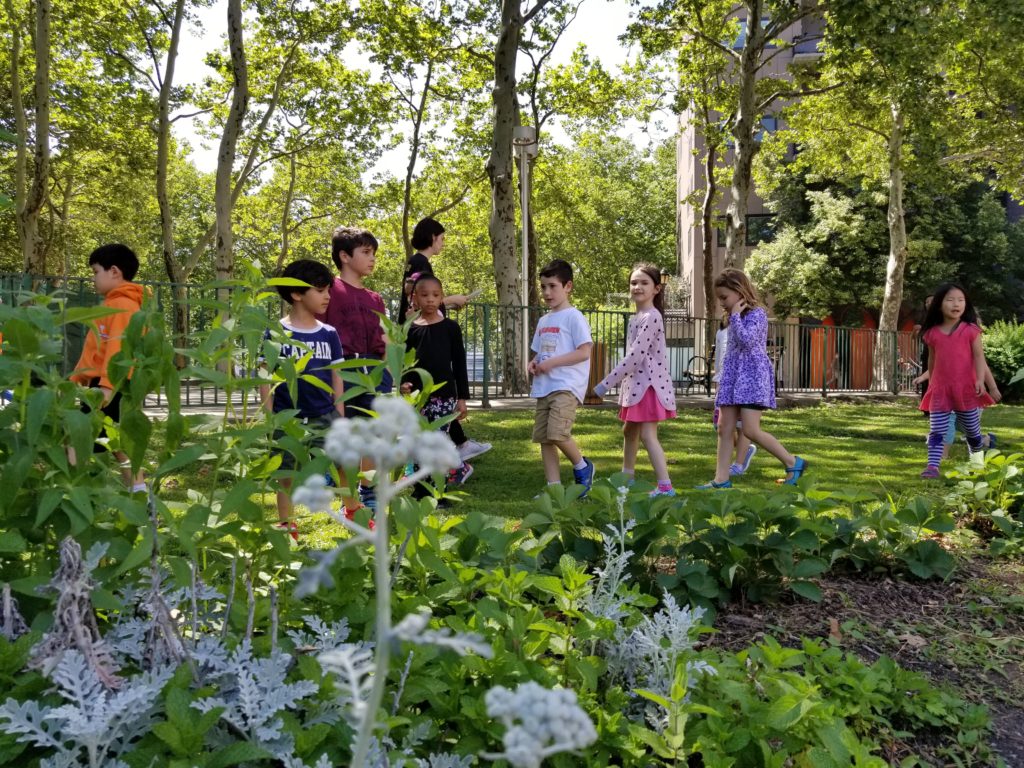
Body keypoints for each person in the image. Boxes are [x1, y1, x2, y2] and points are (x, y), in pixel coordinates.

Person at [260, 259, 362, 539]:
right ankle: (287, 524)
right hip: (287, 418)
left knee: (345, 463)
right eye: (320, 290)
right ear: (296, 294)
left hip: (325, 414)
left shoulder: (329, 333)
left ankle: (353, 510)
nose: (327, 296)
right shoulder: (276, 333)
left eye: (328, 289)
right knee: (287, 474)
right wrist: (271, 419)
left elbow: (337, 376)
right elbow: (265, 375)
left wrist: (339, 414)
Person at [698, 268, 807, 489]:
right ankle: (721, 480)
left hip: (751, 376)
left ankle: (793, 462)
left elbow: (748, 342)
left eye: (724, 297)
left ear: (739, 291)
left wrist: (736, 317)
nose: (722, 303)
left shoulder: (757, 314)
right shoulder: (732, 317)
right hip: (733, 376)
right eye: (720, 298)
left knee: (749, 430)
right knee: (724, 427)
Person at [398, 216, 491, 463]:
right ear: (432, 238)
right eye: (441, 238)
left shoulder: (416, 263)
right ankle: (455, 450)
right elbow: (416, 301)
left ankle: (459, 444)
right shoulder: (420, 263)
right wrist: (450, 300)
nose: (443, 244)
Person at [317, 226, 388, 511]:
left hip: (373, 369)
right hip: (341, 368)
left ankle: (368, 489)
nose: (372, 259)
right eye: (366, 252)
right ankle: (346, 495)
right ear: (344, 256)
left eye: (374, 253)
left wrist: (386, 371)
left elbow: (384, 336)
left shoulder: (375, 298)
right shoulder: (329, 290)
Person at [591, 264, 677, 496]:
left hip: (649, 385)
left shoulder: (652, 317)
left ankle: (665, 487)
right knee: (630, 431)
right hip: (636, 385)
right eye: (634, 282)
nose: (637, 287)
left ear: (657, 289)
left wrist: (605, 383)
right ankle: (626, 477)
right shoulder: (637, 317)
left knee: (648, 435)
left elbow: (635, 356)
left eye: (644, 283)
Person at [69, 244, 146, 492]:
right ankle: (141, 499)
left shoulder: (124, 306)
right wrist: (75, 380)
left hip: (109, 387)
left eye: (95, 271)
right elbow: (94, 351)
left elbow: (119, 351)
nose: (93, 279)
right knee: (118, 445)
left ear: (114, 271)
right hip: (102, 385)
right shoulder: (111, 305)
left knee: (76, 441)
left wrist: (106, 388)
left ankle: (72, 500)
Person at [400, 275, 474, 501]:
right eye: (424, 295)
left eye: (435, 295)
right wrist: (402, 384)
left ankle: (437, 492)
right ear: (415, 299)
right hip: (416, 397)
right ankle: (421, 489)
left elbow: (459, 364)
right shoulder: (409, 330)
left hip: (444, 396)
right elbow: (404, 362)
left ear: (442, 298)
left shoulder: (451, 328)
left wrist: (462, 397)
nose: (430, 300)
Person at [912, 283, 995, 478]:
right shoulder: (931, 333)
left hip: (965, 390)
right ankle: (932, 467)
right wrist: (931, 382)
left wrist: (981, 381)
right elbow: (932, 360)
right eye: (950, 300)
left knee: (973, 432)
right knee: (936, 431)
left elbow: (979, 357)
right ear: (939, 304)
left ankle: (977, 463)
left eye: (960, 300)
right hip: (940, 390)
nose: (955, 304)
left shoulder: (970, 330)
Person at [528, 259, 596, 496]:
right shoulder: (544, 320)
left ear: (568, 287)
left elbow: (584, 351)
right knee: (545, 439)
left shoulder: (574, 316)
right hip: (544, 387)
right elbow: (541, 351)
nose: (547, 292)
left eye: (552, 286)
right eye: (543, 286)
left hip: (566, 387)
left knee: (557, 433)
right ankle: (554, 490)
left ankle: (583, 467)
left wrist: (551, 364)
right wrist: (535, 362)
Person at [712, 314, 757, 476]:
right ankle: (745, 450)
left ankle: (738, 464)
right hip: (724, 381)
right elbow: (719, 357)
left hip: (741, 382)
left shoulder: (744, 325)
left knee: (742, 426)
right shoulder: (722, 330)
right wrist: (717, 379)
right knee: (720, 425)